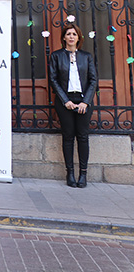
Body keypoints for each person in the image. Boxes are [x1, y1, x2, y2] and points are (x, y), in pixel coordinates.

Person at [49, 21, 97, 188]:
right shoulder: (56, 56)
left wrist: (86, 102)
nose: (71, 37)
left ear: (78, 38)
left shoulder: (86, 56)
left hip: (84, 101)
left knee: (83, 137)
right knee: (68, 136)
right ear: (64, 37)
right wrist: (65, 100)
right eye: (68, 34)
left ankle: (83, 174)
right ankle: (70, 173)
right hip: (65, 101)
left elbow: (93, 80)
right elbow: (53, 80)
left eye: (74, 34)